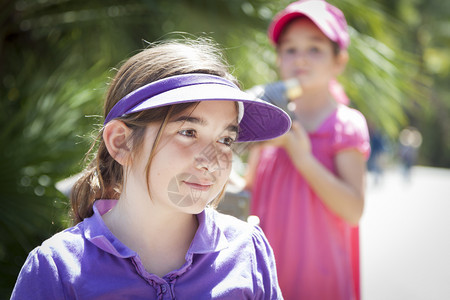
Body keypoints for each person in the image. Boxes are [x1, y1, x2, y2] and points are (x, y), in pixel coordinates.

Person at [11, 38, 292, 299]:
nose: (212, 160)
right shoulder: (56, 268)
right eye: (188, 132)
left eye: (225, 139)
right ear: (121, 142)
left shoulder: (248, 250)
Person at [245, 1, 371, 299]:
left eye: (314, 49)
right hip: (267, 277)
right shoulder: (269, 118)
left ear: (338, 61)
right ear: (278, 58)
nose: (300, 58)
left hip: (320, 280)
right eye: (290, 49)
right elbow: (248, 191)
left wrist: (301, 156)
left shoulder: (345, 125)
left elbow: (353, 210)